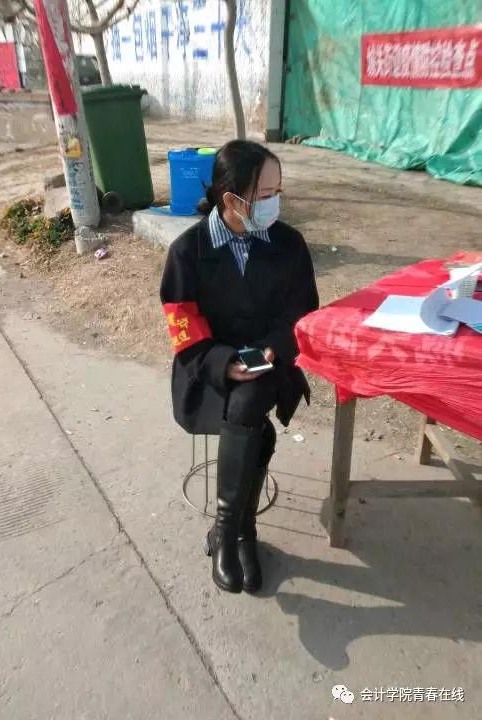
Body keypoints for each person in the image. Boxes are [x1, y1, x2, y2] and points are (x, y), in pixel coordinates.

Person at [160, 140, 319, 594]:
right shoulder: (187, 251)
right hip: (207, 371)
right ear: (231, 200)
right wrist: (222, 362)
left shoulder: (289, 244)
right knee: (252, 420)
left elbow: (303, 311)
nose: (274, 203)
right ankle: (241, 530)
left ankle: (226, 532)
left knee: (252, 398)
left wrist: (270, 350)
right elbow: (182, 323)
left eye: (277, 192)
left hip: (270, 363)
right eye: (264, 195)